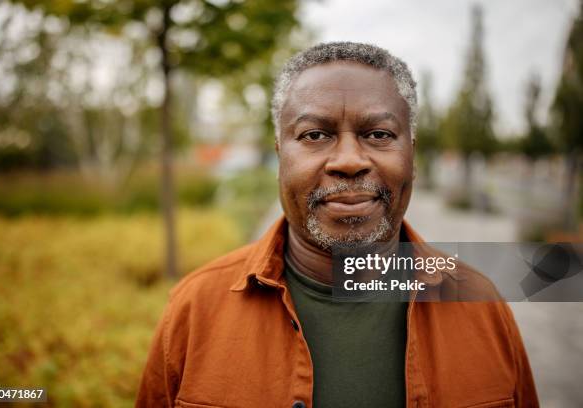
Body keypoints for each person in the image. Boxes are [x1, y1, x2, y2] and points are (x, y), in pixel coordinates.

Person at [136, 42, 538, 408]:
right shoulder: (194, 311)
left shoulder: (481, 305)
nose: (348, 160)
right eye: (315, 134)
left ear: (412, 153)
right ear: (280, 152)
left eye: (379, 134)